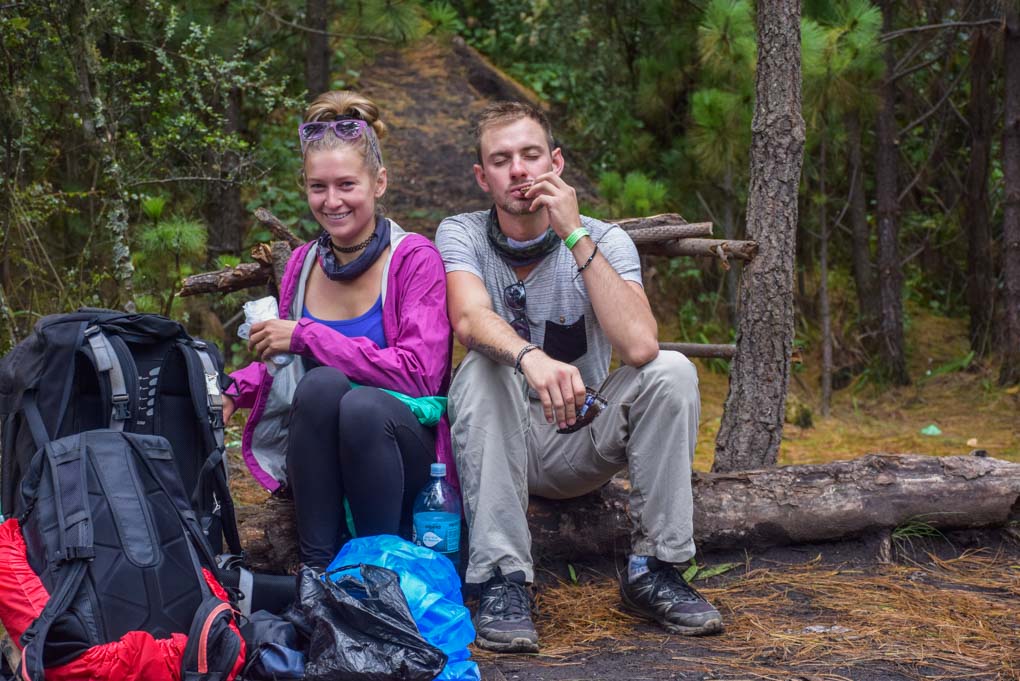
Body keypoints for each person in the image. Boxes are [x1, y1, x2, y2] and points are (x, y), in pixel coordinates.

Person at [435, 101, 722, 653]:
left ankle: (656, 569)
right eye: (501, 160)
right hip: (499, 440)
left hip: (580, 438)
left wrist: (574, 235)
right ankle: (502, 580)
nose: (518, 170)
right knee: (481, 371)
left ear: (556, 163)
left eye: (531, 155)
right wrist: (530, 357)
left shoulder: (603, 239)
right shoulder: (462, 233)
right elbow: (469, 318)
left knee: (672, 370)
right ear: (482, 176)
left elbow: (640, 344)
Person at [222, 91, 453, 570]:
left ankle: (375, 571)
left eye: (347, 184)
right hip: (324, 452)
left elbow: (421, 377)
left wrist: (309, 336)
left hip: (400, 452)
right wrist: (231, 390)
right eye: (317, 187)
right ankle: (318, 573)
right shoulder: (304, 264)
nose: (332, 201)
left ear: (379, 182)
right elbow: (283, 366)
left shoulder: (413, 259)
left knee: (362, 405)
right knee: (322, 385)